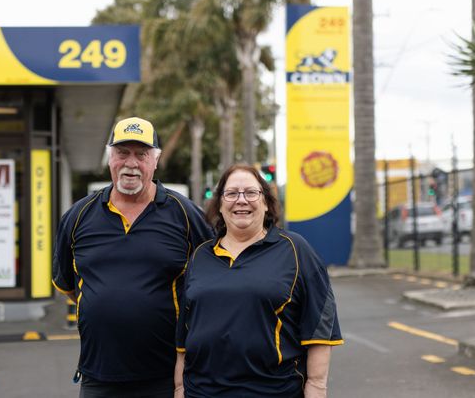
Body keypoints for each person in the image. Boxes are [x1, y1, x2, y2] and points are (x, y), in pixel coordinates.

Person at [52, 117, 213, 398]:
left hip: (168, 377)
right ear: (109, 157)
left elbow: (215, 280)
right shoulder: (78, 216)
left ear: (155, 160)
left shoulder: (186, 215)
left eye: (141, 154)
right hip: (97, 377)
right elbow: (70, 286)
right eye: (122, 153)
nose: (131, 163)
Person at [174, 164, 343, 398]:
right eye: (231, 193)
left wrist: (316, 386)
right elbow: (185, 333)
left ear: (266, 203)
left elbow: (320, 327)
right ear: (220, 205)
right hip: (202, 392)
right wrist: (180, 389)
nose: (241, 200)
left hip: (273, 391)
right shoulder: (200, 255)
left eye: (251, 193)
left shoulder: (295, 250)